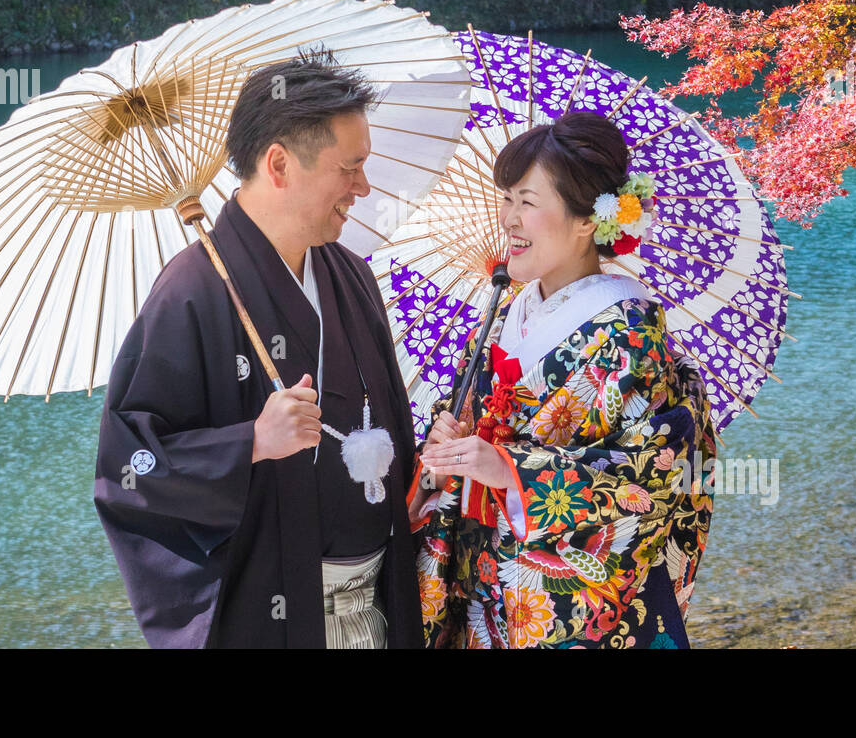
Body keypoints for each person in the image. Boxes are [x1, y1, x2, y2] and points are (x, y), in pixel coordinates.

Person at [94, 47, 422, 648]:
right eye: (349, 168)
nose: (363, 186)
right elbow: (126, 470)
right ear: (279, 164)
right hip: (274, 616)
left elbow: (386, 425)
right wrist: (248, 443)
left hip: (375, 604)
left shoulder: (352, 275)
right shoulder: (192, 292)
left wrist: (428, 462)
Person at [407, 111, 717, 648]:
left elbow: (656, 473)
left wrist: (510, 471)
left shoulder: (631, 331)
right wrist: (451, 444)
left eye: (528, 202)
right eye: (506, 199)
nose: (509, 219)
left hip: (565, 606)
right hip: (487, 592)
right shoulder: (510, 310)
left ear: (588, 221)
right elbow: (474, 425)